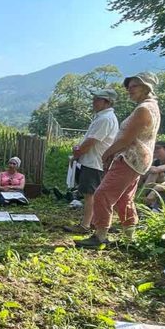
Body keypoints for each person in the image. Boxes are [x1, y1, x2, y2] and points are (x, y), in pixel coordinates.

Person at [76, 73, 161, 249]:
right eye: (128, 87)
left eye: (134, 86)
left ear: (147, 87)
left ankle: (100, 236)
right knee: (124, 198)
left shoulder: (144, 109)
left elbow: (126, 140)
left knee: (102, 194)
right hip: (138, 159)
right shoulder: (151, 107)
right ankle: (129, 238)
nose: (129, 90)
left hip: (131, 158)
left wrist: (107, 154)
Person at [63, 90, 119, 235]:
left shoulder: (105, 119)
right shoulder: (103, 117)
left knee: (90, 195)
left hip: (95, 162)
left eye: (97, 99)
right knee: (93, 194)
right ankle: (94, 222)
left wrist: (77, 153)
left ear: (107, 102)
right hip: (95, 160)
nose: (93, 102)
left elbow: (92, 141)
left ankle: (85, 225)